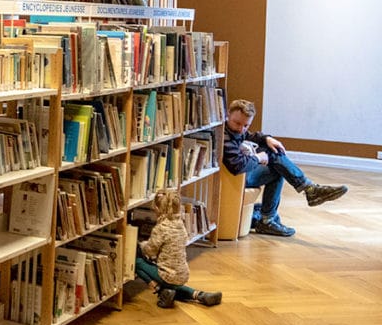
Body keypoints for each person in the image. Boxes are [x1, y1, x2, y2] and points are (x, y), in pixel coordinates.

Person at [223, 99, 348, 237]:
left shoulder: (235, 131)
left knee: (275, 158)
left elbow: (250, 136)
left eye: (246, 125)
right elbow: (238, 166)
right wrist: (259, 157)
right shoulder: (224, 136)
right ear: (228, 114)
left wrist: (267, 139)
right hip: (234, 178)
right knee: (275, 161)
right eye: (238, 123)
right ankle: (307, 190)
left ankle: (270, 217)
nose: (242, 129)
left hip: (240, 176)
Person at [135, 189, 222, 309]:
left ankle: (160, 290)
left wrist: (140, 244)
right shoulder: (181, 225)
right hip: (183, 274)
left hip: (166, 274)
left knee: (138, 263)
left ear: (157, 209)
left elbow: (150, 250)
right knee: (173, 285)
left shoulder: (160, 228)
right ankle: (200, 295)